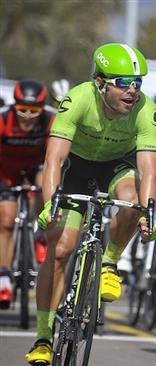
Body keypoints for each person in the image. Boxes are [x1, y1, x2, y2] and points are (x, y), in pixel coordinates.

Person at [25, 43, 156, 365]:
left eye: (138, 83)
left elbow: (149, 170)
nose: (132, 91)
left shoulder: (146, 109)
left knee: (133, 202)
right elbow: (54, 159)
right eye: (123, 83)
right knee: (60, 250)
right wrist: (50, 205)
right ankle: (43, 337)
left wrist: (149, 211)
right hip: (76, 168)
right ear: (100, 82)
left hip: (118, 167)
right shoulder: (78, 99)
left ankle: (109, 262)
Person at [0, 80, 56, 308]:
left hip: (35, 169)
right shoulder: (3, 120)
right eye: (23, 110)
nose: (28, 116)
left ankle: (42, 231)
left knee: (46, 181)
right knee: (5, 220)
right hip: (5, 172)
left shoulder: (50, 121)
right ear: (14, 107)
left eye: (34, 111)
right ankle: (3, 277)